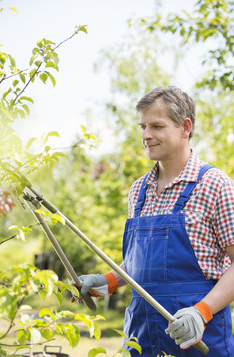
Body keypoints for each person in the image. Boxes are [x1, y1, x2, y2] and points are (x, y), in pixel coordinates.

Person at [75, 86, 234, 356]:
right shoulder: (138, 190)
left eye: (157, 126)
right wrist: (109, 281)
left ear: (185, 127)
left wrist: (201, 312)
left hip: (198, 339)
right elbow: (141, 263)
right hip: (141, 335)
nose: (146, 135)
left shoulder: (216, 186)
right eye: (143, 126)